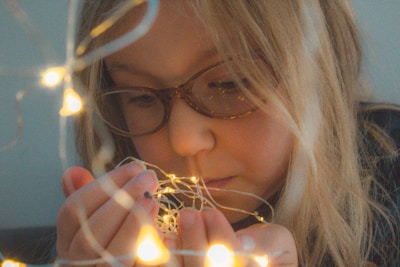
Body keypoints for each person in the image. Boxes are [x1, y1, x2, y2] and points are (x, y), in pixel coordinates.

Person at [56, 0, 400, 266]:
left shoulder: (391, 172)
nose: (184, 141)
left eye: (229, 83)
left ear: (320, 74)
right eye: (142, 96)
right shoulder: (123, 232)